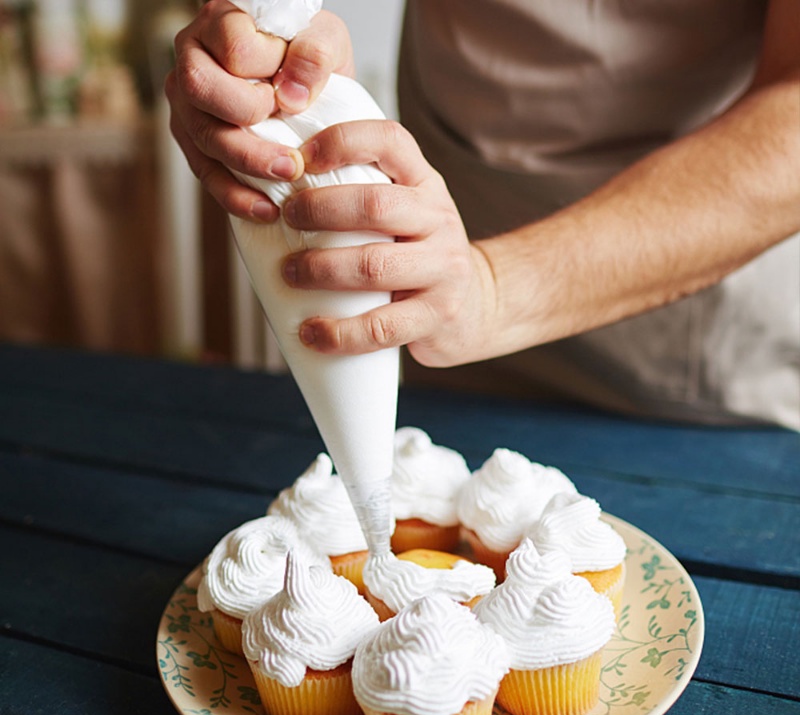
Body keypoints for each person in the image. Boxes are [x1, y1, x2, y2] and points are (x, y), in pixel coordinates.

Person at [166, 0, 800, 429]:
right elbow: (270, 19)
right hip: (438, 334)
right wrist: (265, 43)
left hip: (689, 375)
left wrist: (492, 291)